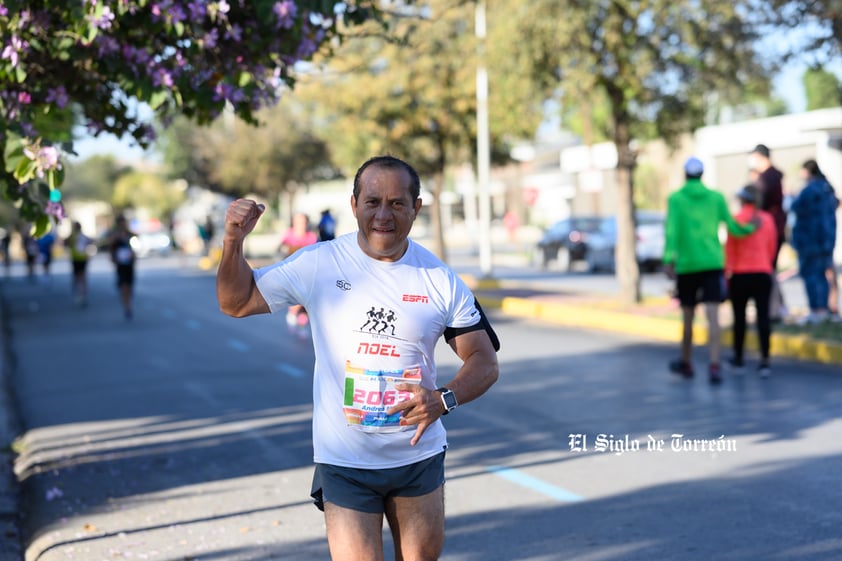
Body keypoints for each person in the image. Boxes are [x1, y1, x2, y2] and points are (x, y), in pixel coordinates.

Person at [217, 155, 500, 561]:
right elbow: (236, 301)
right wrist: (233, 241)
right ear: (354, 205)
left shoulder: (439, 279)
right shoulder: (319, 263)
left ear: (416, 208)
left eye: (397, 203)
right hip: (345, 461)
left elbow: (484, 362)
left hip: (417, 458)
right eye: (372, 202)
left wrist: (443, 399)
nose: (383, 215)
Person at [663, 157, 757, 384]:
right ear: (702, 174)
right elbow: (733, 227)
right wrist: (752, 227)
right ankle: (714, 366)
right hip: (713, 264)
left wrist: (668, 260)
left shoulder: (676, 199)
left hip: (687, 265)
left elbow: (672, 231)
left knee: (688, 317)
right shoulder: (716, 198)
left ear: (686, 175)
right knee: (713, 317)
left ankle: (686, 362)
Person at [724, 185, 778, 377]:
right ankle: (765, 361)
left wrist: (726, 274)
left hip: (740, 275)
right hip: (763, 273)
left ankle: (738, 358)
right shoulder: (768, 220)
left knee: (739, 319)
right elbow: (772, 247)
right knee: (763, 317)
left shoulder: (736, 220)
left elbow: (729, 250)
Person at [789, 159, 838, 324]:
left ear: (807, 171)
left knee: (812, 276)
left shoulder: (810, 190)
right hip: (826, 241)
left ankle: (817, 310)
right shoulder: (827, 188)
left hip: (810, 242)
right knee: (823, 276)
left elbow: (795, 206)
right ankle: (824, 310)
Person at [748, 144, 788, 321]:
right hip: (773, 229)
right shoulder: (771, 176)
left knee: (767, 269)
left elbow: (759, 202)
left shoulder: (768, 177)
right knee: (769, 269)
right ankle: (779, 306)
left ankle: (774, 309)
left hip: (769, 231)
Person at [279, 213, 319, 334]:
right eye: (298, 222)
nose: (300, 224)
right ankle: (293, 313)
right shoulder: (288, 234)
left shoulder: (311, 237)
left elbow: (318, 253)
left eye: (302, 222)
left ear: (306, 223)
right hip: (292, 272)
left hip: (308, 273)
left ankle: (302, 325)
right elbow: (280, 249)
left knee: (307, 302)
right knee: (298, 297)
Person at [109, 215, 137, 320]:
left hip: (129, 263)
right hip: (120, 264)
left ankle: (128, 300)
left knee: (129, 286)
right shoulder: (115, 236)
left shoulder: (130, 235)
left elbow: (136, 245)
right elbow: (111, 248)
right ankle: (127, 307)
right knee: (123, 285)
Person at [65, 221, 92, 307]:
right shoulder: (82, 236)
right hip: (81, 258)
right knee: (82, 277)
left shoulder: (73, 236)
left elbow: (66, 243)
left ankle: (80, 293)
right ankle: (82, 293)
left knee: (78, 277)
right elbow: (90, 242)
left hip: (77, 259)